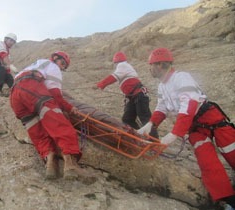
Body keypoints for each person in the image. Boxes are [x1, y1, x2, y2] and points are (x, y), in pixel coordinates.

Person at [138, 47, 235, 210]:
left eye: (151, 65)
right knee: (207, 162)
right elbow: (162, 108)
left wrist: (174, 134)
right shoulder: (162, 86)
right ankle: (229, 201)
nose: (149, 69)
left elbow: (189, 104)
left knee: (232, 151)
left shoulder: (181, 78)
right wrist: (150, 124)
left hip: (211, 119)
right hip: (195, 127)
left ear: (160, 64)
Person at [10, 51, 94, 181]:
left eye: (64, 67)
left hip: (15, 95)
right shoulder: (53, 67)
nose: (62, 67)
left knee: (37, 131)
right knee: (60, 123)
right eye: (62, 63)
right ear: (56, 59)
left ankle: (50, 166)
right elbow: (56, 95)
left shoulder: (38, 64)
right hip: (30, 87)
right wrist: (70, 108)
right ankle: (70, 165)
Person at [93, 51, 158, 138]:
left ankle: (155, 143)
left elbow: (113, 77)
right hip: (135, 96)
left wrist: (99, 85)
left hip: (138, 95)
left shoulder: (122, 65)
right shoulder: (126, 66)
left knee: (145, 119)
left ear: (116, 62)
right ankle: (139, 136)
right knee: (127, 119)